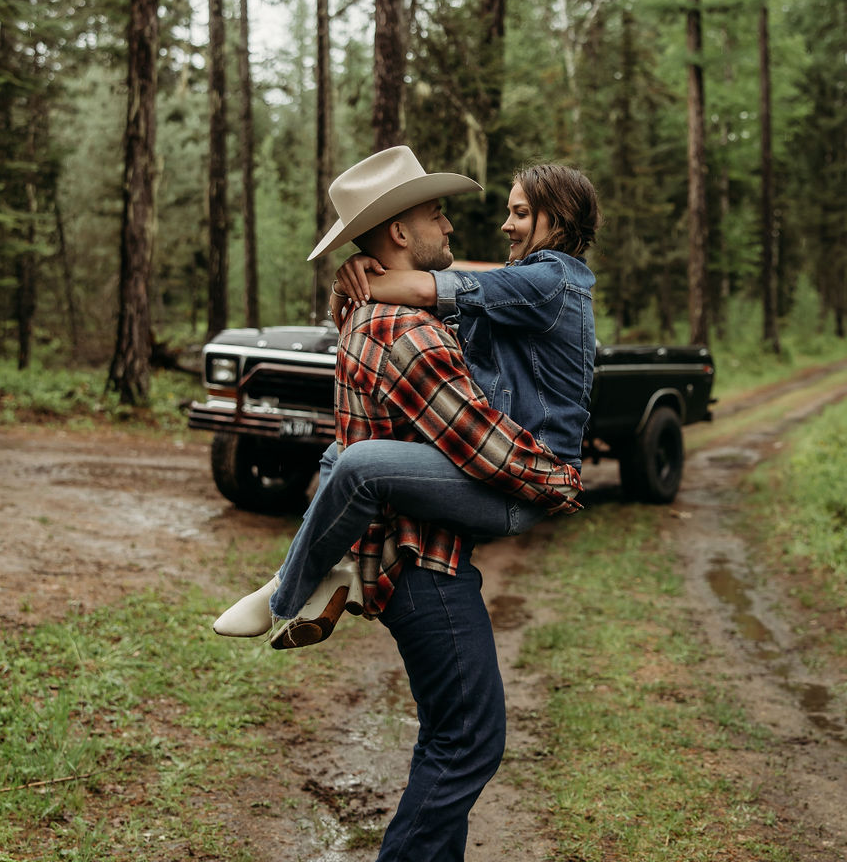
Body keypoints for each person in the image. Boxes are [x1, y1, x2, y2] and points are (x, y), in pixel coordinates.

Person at [215, 146, 597, 862]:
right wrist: (557, 483)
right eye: (435, 217)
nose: (453, 227)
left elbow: (475, 288)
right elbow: (483, 445)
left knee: (452, 736)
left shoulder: (400, 312)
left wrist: (385, 280)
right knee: (472, 741)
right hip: (424, 563)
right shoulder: (404, 329)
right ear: (399, 230)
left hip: (414, 557)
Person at [213, 156, 599, 649]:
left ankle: (282, 597)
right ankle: (339, 568)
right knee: (338, 454)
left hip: (524, 481)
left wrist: (355, 283)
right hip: (495, 466)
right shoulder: (524, 283)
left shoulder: (553, 280)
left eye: (520, 213)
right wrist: (353, 277)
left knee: (360, 465)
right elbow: (452, 286)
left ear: (559, 218)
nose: (505, 224)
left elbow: (425, 285)